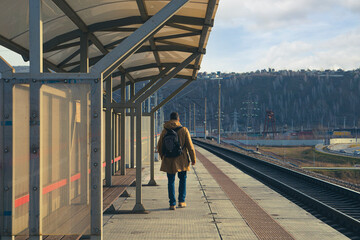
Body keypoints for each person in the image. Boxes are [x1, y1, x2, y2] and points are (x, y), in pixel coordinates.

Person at [157, 112, 196, 210]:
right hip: (181, 159)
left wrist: (163, 157)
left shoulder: (165, 131)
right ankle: (182, 201)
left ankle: (172, 204)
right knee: (182, 179)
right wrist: (193, 159)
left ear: (170, 119)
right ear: (178, 120)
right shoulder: (184, 130)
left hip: (168, 159)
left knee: (171, 181)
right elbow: (190, 147)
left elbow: (159, 146)